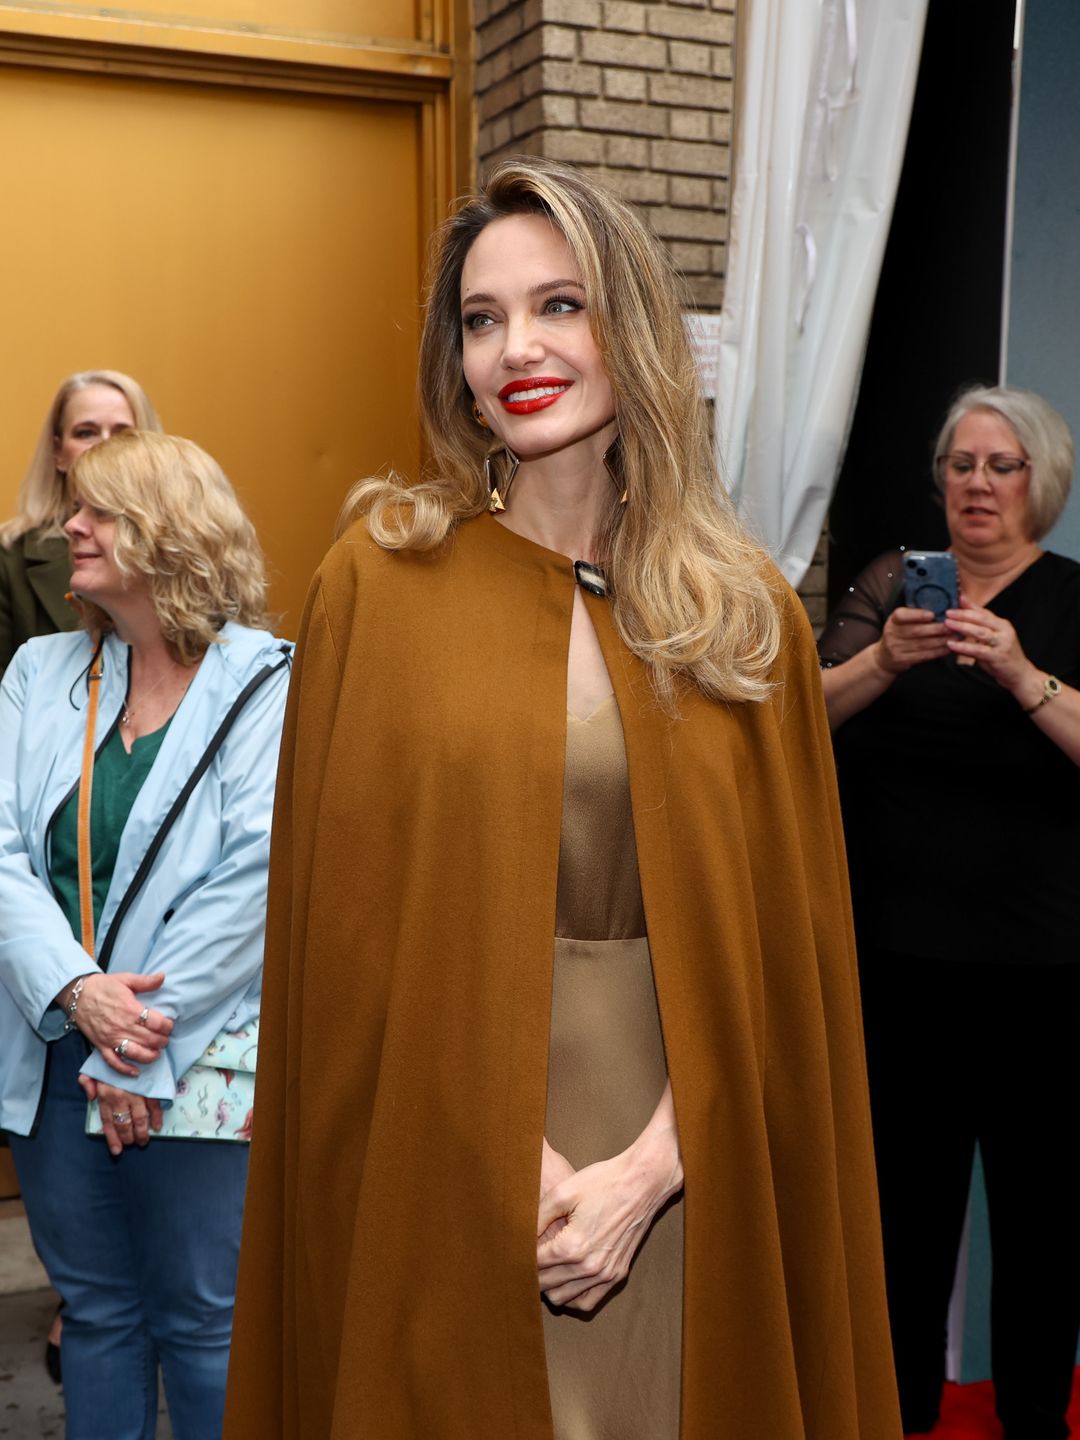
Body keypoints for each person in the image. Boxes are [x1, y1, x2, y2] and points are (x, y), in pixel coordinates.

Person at [225, 157, 901, 1440]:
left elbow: (790, 956)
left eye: (559, 306)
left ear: (631, 327)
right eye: (482, 319)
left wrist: (652, 1171)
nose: (515, 350)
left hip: (694, 1171)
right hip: (442, 1155)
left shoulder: (741, 609)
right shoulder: (376, 587)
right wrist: (501, 1161)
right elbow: (339, 948)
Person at [0, 429, 292, 1440]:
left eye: (101, 511)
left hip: (197, 1050)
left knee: (207, 1326)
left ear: (171, 533)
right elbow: (0, 856)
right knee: (99, 1317)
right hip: (50, 1049)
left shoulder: (266, 679)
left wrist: (136, 1039)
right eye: (75, 504)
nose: (71, 525)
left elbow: (253, 876)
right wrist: (83, 994)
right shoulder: (39, 675)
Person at [819, 385, 1080, 1440]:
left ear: (1039, 485)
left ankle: (1028, 1420)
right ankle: (898, 1419)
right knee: (901, 1225)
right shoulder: (888, 587)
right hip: (899, 973)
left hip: (1047, 981)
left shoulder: (1069, 602)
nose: (976, 484)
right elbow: (797, 719)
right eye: (961, 465)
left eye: (1000, 466)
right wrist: (884, 658)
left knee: (1042, 1230)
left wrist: (1022, 675)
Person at [0, 369, 161, 678]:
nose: (105, 447)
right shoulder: (10, 559)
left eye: (123, 433)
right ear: (58, 452)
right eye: (86, 432)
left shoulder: (189, 545)